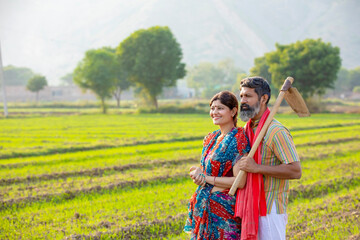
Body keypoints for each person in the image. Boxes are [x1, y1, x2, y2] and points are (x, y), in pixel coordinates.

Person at [235, 77, 302, 240]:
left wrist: (257, 167)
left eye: (248, 96)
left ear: (263, 98)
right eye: (242, 96)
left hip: (269, 209)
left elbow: (295, 170)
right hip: (249, 206)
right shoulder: (247, 129)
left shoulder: (275, 131)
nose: (243, 101)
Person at [184, 91, 250, 240]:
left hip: (224, 211)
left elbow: (239, 181)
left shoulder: (238, 140)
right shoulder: (211, 138)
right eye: (212, 108)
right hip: (204, 206)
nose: (214, 112)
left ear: (233, 111)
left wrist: (207, 178)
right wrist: (198, 173)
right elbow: (205, 168)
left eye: (220, 108)